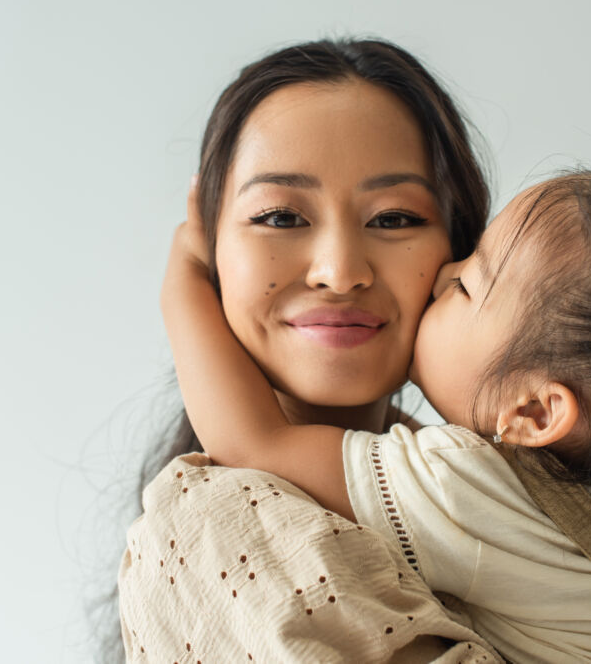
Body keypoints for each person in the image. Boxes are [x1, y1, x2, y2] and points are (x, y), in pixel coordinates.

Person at [164, 169, 591, 662]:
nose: (442, 272)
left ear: (533, 411)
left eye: (468, 283)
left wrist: (186, 277)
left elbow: (253, 442)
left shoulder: (469, 485)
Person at [116, 38, 503, 662]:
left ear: (461, 254)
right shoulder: (215, 530)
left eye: (395, 218)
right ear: (209, 247)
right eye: (279, 217)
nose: (340, 270)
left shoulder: (498, 488)